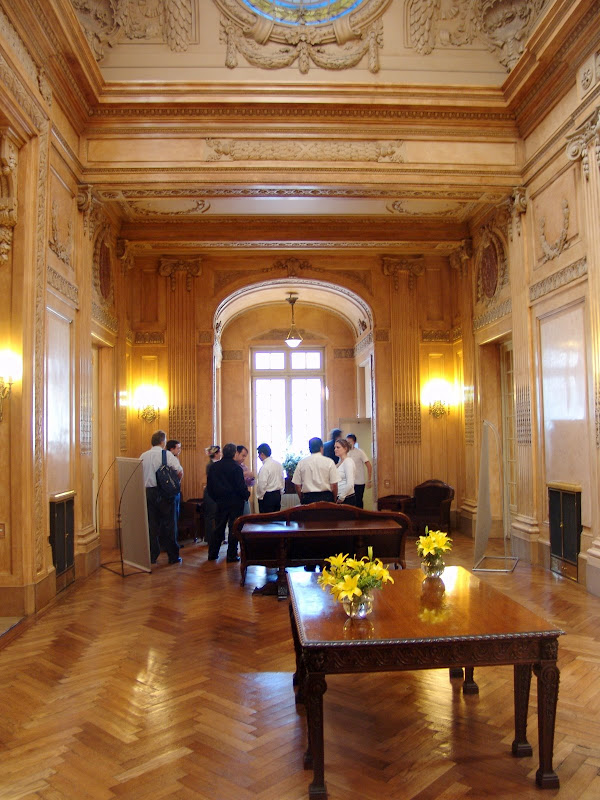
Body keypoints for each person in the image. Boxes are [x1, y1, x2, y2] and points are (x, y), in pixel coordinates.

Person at [140, 430, 183, 565]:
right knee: (170, 524)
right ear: (163, 442)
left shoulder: (143, 456)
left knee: (152, 525)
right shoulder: (166, 455)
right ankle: (172, 556)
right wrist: (176, 484)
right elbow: (179, 471)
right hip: (165, 494)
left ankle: (153, 555)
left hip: (149, 492)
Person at [206, 442, 249, 562]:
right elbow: (240, 487)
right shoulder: (236, 468)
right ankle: (231, 555)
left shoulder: (214, 467)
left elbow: (210, 487)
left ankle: (212, 553)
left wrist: (216, 498)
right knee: (234, 528)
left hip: (220, 501)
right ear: (234, 453)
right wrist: (246, 495)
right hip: (236, 502)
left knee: (218, 527)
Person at [292, 436, 338, 504]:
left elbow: (297, 484)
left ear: (309, 449)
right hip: (326, 497)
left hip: (308, 498)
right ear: (321, 448)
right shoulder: (329, 462)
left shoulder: (302, 463)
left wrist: (302, 499)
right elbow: (334, 484)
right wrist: (334, 499)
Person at [346, 433, 373, 509]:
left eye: (350, 442)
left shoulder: (360, 452)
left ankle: (360, 516)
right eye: (347, 442)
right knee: (349, 503)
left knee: (358, 502)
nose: (348, 444)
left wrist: (369, 480)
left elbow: (369, 465)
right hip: (348, 482)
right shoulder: (345, 453)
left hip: (359, 482)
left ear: (354, 442)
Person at [256, 443, 284, 513]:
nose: (258, 456)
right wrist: (281, 492)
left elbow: (262, 485)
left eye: (258, 454)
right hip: (277, 495)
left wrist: (260, 497)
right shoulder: (278, 464)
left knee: (266, 518)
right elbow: (282, 480)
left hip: (267, 496)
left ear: (262, 454)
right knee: (276, 517)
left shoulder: (264, 467)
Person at [203, 445, 221, 544]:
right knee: (211, 515)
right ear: (216, 454)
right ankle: (210, 538)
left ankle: (217, 537)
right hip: (211, 492)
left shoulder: (215, 464)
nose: (221, 454)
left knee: (216, 515)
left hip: (215, 491)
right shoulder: (211, 465)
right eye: (219, 452)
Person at [166, 439, 183, 543]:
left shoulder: (163, 457)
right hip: (172, 491)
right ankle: (173, 543)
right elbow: (180, 472)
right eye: (178, 448)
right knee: (173, 518)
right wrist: (177, 484)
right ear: (172, 449)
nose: (179, 450)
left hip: (162, 491)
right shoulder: (172, 458)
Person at [235, 444, 255, 516]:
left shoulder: (244, 467)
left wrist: (251, 478)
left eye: (245, 456)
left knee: (247, 517)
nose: (244, 458)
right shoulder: (231, 466)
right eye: (243, 455)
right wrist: (243, 474)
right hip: (234, 497)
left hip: (243, 496)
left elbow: (250, 483)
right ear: (237, 453)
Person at [334, 437, 356, 505]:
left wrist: (341, 497)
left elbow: (350, 484)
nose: (335, 449)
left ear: (345, 449)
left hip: (346, 498)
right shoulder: (340, 461)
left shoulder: (348, 462)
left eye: (338, 447)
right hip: (340, 496)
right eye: (335, 447)